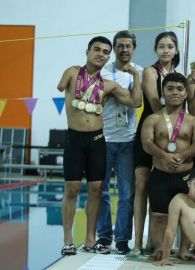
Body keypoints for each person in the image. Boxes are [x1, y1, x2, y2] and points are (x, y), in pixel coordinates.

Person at [57, 36, 142, 255]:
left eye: (105, 52)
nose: (101, 54)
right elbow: (60, 88)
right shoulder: (72, 72)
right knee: (72, 189)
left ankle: (89, 239)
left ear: (108, 55)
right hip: (74, 138)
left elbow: (135, 102)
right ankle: (68, 239)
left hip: (97, 140)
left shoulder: (109, 85)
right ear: (87, 51)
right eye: (97, 50)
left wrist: (135, 77)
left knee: (96, 190)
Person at [140, 72, 195, 260]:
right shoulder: (152, 119)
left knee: (188, 216)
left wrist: (181, 156)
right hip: (160, 174)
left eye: (179, 89)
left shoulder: (193, 121)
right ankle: (159, 249)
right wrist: (164, 156)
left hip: (186, 175)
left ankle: (184, 250)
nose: (175, 92)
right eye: (170, 88)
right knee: (159, 215)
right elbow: (147, 143)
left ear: (185, 93)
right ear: (163, 92)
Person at [131, 31, 180, 255]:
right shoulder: (150, 71)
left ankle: (157, 240)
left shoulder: (179, 75)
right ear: (155, 50)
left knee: (162, 187)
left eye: (170, 46)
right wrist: (169, 123)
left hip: (170, 134)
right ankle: (138, 243)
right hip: (150, 129)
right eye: (161, 46)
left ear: (176, 50)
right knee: (142, 186)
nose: (166, 50)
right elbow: (153, 100)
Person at [95, 31, 143, 254]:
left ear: (134, 49)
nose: (124, 49)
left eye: (128, 46)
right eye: (120, 45)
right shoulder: (101, 71)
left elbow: (137, 102)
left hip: (127, 140)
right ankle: (104, 236)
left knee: (126, 194)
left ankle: (122, 239)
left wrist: (135, 76)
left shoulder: (139, 72)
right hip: (102, 139)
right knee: (100, 191)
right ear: (114, 48)